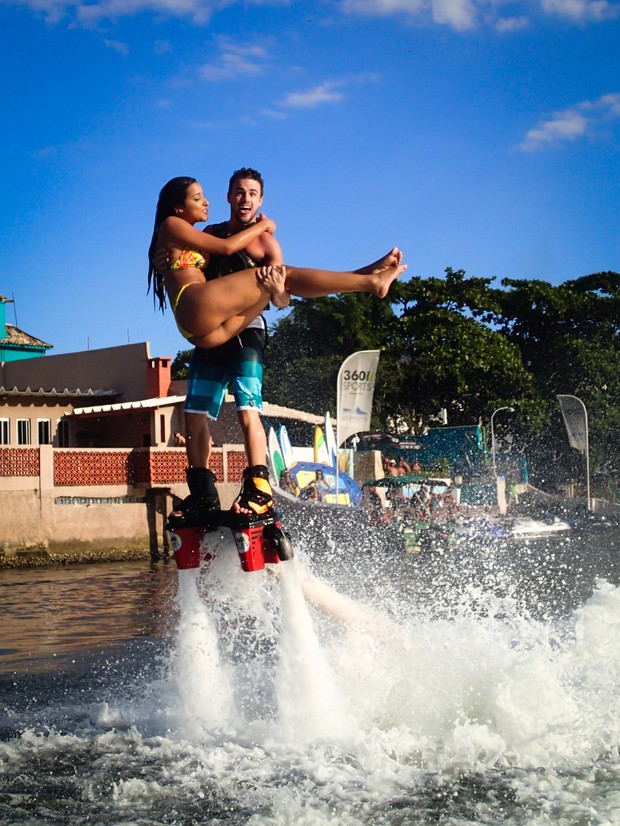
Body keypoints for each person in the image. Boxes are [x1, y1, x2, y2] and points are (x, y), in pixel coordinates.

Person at [148, 175, 407, 517]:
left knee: (246, 408)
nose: (245, 198)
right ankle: (369, 280)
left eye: (253, 194)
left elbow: (283, 297)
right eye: (239, 192)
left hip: (224, 328)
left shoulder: (266, 245)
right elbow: (215, 252)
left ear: (260, 199)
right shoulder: (207, 234)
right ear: (230, 196)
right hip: (198, 307)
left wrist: (272, 287)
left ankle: (243, 489)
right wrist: (159, 260)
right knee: (195, 412)